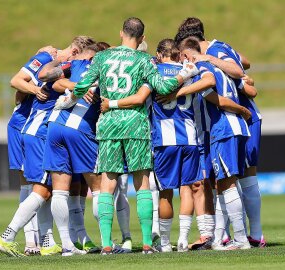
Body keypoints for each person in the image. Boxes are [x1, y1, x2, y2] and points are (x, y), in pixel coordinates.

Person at [56, 17, 199, 255]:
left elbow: (82, 85)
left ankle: (106, 245)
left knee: (108, 182)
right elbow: (163, 89)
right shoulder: (144, 60)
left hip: (109, 125)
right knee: (142, 183)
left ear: (121, 33)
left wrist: (69, 98)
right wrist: (183, 76)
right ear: (142, 38)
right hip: (136, 125)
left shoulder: (102, 58)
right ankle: (145, 243)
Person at [102, 39, 251, 252]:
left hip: (163, 140)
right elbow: (209, 80)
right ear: (178, 54)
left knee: (165, 193)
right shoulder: (189, 70)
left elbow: (138, 95)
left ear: (160, 54)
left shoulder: (152, 71)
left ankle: (164, 243)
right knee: (192, 188)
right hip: (190, 138)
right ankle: (186, 238)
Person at [0, 36, 94, 257]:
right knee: (39, 189)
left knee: (46, 190)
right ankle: (11, 237)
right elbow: (19, 81)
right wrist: (34, 89)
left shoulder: (57, 65)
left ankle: (49, 242)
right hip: (36, 133)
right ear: (76, 52)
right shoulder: (50, 60)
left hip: (39, 132)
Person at [176, 17, 265, 248]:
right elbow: (246, 76)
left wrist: (178, 91)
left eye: (182, 58)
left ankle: (242, 238)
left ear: (187, 55)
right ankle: (225, 237)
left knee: (227, 182)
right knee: (225, 181)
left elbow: (213, 92)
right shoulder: (218, 58)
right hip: (230, 127)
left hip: (223, 128)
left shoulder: (205, 67)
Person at [42, 43, 104, 255]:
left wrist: (61, 62)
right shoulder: (104, 67)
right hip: (80, 129)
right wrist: (83, 87)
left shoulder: (74, 64)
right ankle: (106, 241)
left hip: (56, 126)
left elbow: (48, 77)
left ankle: (67, 245)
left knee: (60, 190)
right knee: (99, 188)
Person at [6, 46, 56, 255]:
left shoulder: (46, 73)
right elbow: (17, 85)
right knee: (30, 184)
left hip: (29, 128)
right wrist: (35, 90)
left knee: (36, 184)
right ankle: (29, 240)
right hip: (22, 128)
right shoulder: (40, 65)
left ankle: (39, 239)